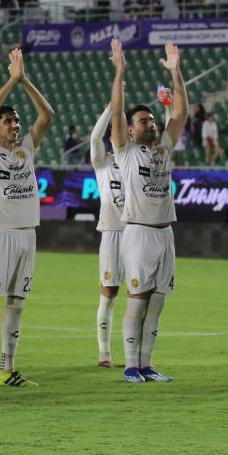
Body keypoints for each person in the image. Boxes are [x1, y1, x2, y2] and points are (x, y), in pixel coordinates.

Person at [0, 48, 54, 389]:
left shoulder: (26, 149)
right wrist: (10, 80)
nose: (15, 125)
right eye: (9, 121)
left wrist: (26, 81)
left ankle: (7, 368)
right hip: (0, 235)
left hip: (27, 235)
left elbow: (47, 115)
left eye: (17, 121)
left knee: (16, 306)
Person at [108, 39, 187, 384]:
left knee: (157, 301)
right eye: (143, 121)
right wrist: (120, 70)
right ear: (129, 129)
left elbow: (181, 113)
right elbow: (115, 112)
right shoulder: (125, 151)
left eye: (153, 120)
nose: (151, 125)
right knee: (137, 297)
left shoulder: (164, 147)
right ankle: (129, 365)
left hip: (165, 232)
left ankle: (147, 364)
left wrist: (176, 73)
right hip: (138, 231)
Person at [88, 104, 126, 367]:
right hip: (112, 232)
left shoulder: (138, 158)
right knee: (109, 292)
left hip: (139, 231)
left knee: (142, 293)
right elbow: (93, 138)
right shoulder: (104, 162)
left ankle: (140, 356)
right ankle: (104, 353)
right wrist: (109, 109)